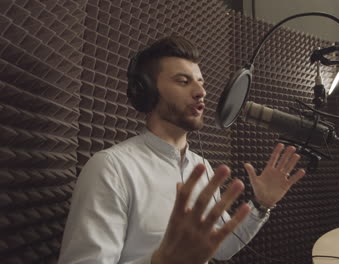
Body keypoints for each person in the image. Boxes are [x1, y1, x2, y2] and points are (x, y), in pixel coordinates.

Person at [58, 35, 306, 264]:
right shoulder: (112, 168)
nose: (201, 92)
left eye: (200, 82)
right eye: (183, 81)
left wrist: (260, 205)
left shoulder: (203, 168)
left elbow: (220, 249)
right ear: (147, 91)